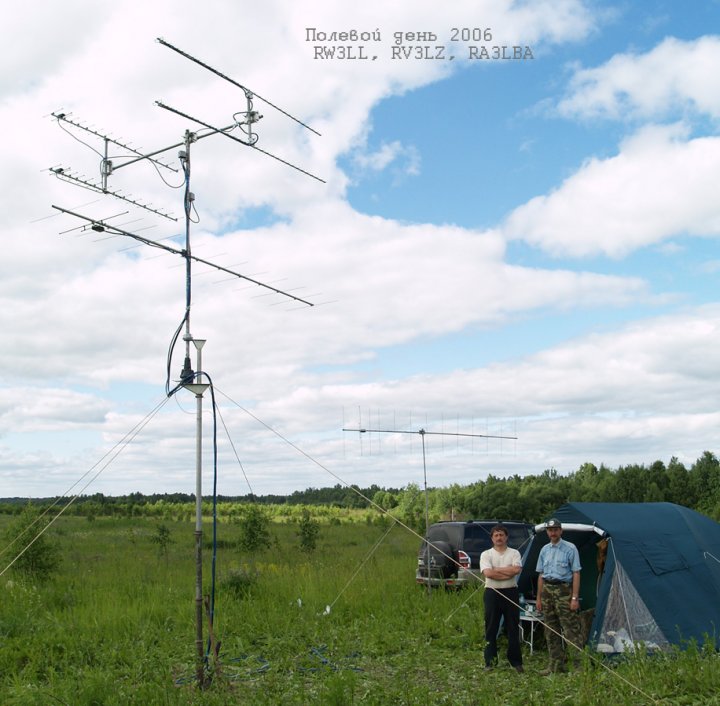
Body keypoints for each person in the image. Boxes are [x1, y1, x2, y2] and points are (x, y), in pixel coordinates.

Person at [535, 518, 583, 674]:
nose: (553, 533)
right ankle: (556, 665)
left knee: (570, 629)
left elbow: (576, 573)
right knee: (550, 629)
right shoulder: (544, 550)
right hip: (547, 590)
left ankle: (578, 667)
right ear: (547, 532)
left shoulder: (570, 548)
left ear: (560, 531)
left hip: (564, 591)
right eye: (550, 530)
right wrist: (539, 598)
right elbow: (541, 575)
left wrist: (574, 598)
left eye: (555, 530)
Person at [479, 524, 524, 673]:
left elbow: (516, 570)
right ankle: (490, 662)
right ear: (492, 538)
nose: (499, 538)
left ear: (506, 537)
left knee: (513, 627)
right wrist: (507, 571)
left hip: (511, 592)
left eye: (501, 535)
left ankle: (515, 662)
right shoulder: (486, 554)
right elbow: (488, 574)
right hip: (492, 593)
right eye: (496, 535)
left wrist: (496, 569)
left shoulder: (514, 553)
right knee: (491, 628)